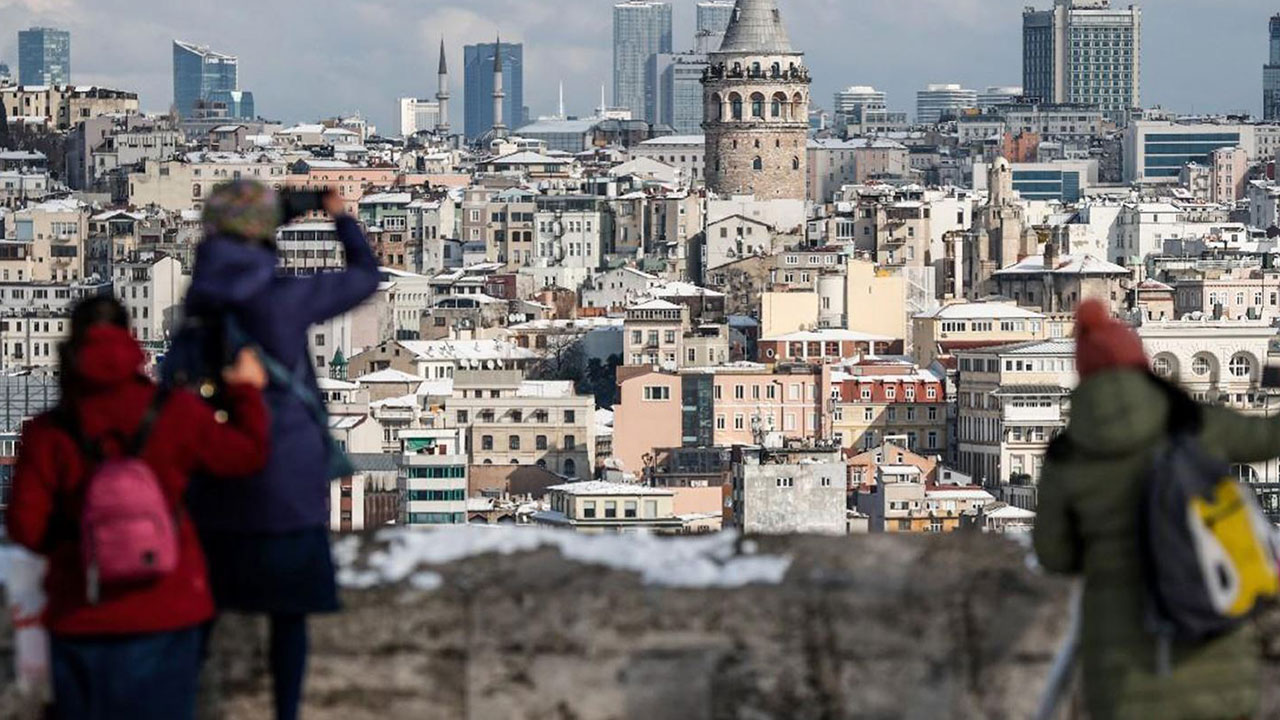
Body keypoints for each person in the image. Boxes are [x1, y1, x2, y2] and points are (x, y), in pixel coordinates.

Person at [4, 296, 269, 720]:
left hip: (82, 611)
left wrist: (80, 544)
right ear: (131, 339)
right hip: (168, 604)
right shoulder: (175, 412)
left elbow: (26, 528)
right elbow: (246, 455)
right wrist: (246, 392)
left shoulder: (48, 432)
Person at [182, 180, 380, 720]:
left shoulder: (200, 297)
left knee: (202, 615)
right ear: (265, 230)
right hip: (287, 481)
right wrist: (338, 218)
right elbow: (365, 276)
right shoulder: (282, 297)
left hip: (216, 480)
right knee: (289, 617)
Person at [1034, 299, 1275, 720]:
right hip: (1215, 655)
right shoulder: (1191, 422)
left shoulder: (1068, 455)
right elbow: (1268, 438)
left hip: (1122, 671)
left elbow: (1053, 555)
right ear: (1140, 362)